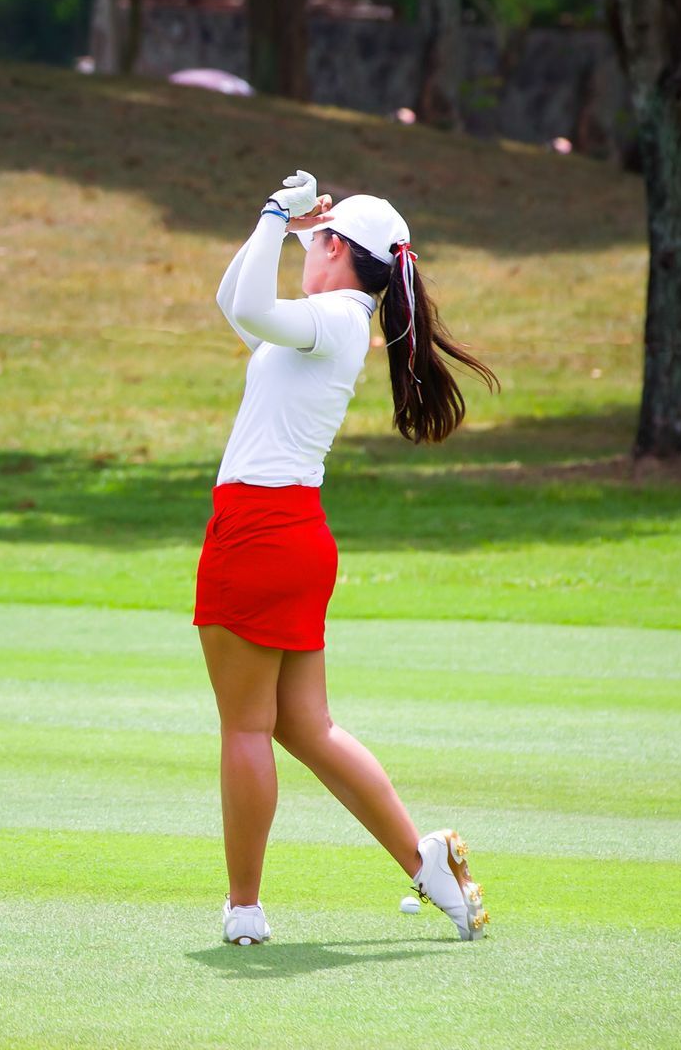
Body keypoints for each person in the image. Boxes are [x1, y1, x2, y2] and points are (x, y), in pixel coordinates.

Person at [198, 170, 499, 946]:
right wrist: (272, 221)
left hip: (258, 531)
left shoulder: (331, 315)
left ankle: (244, 904)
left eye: (309, 243)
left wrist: (274, 215)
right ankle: (423, 858)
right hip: (293, 531)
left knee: (244, 728)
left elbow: (253, 304)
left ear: (336, 251)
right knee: (306, 726)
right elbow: (237, 304)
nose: (299, 253)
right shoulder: (331, 318)